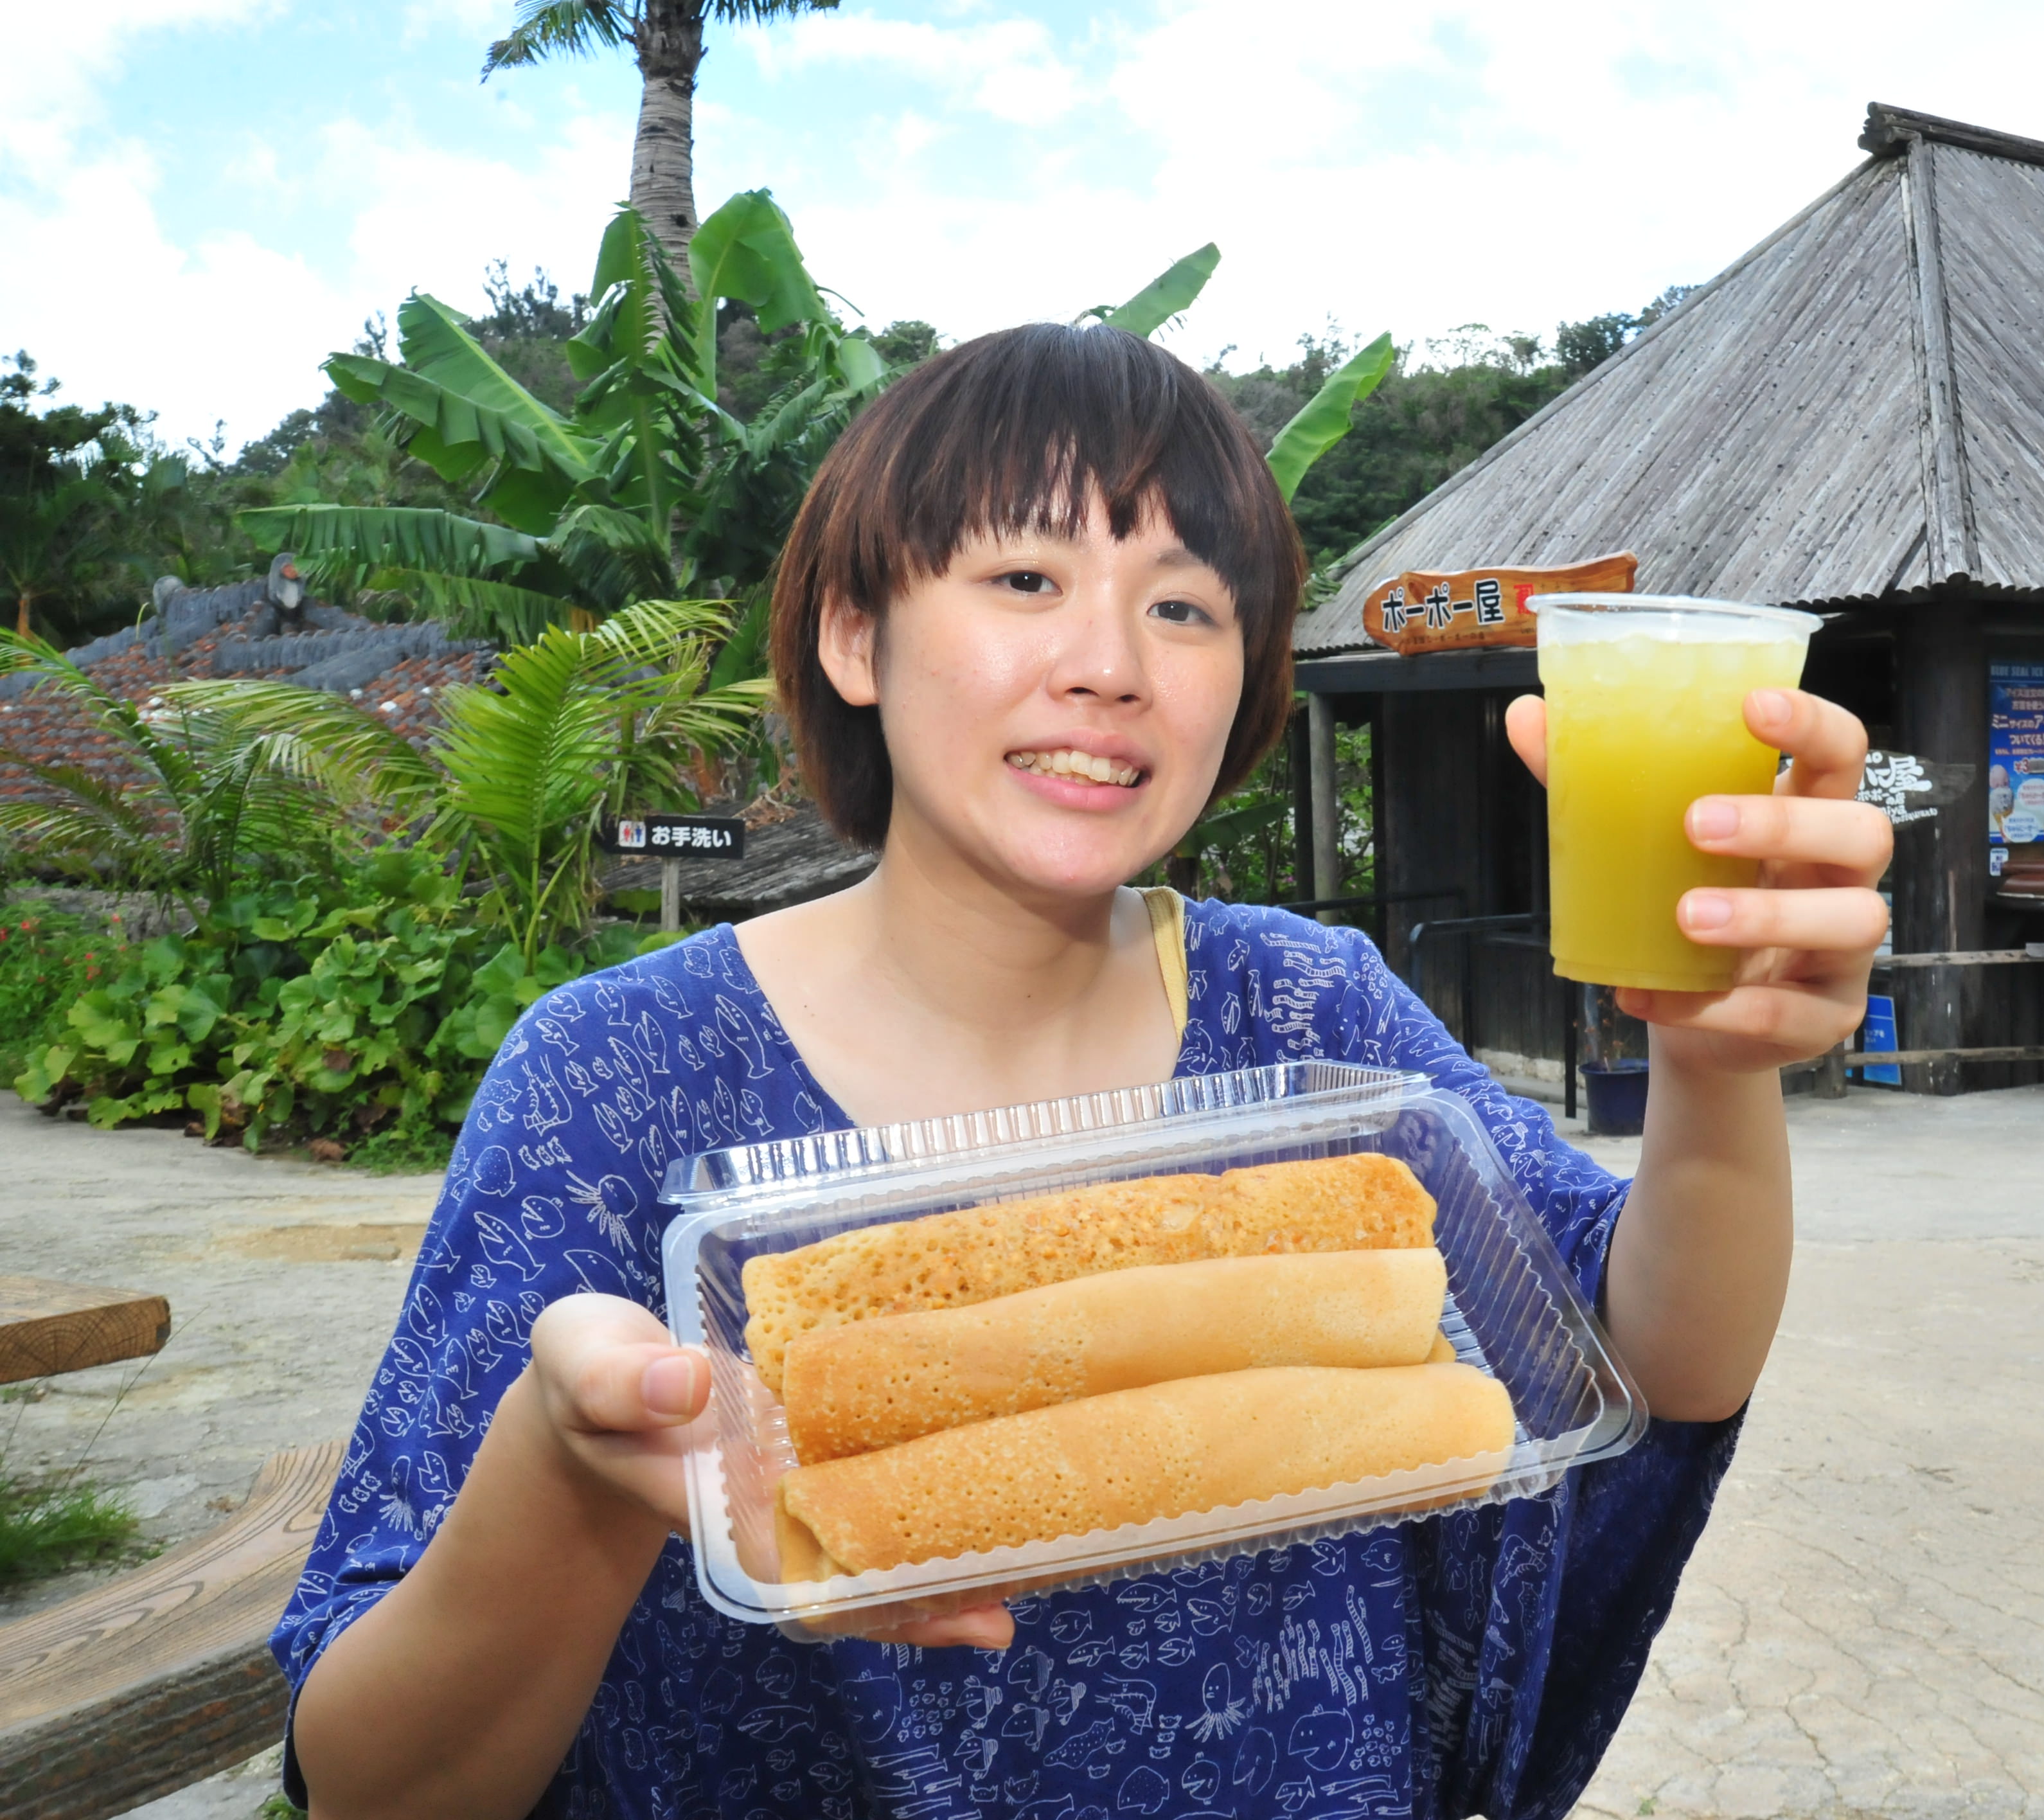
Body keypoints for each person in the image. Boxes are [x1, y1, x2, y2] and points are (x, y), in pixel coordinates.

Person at [272, 321, 1891, 1820]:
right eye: (1024, 579)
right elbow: (370, 1779)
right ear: (855, 633)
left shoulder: (1307, 1006)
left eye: (1183, 604)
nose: (1110, 661)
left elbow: (1640, 1357)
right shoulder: (618, 1078)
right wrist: (568, 1478)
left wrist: (1713, 1063)